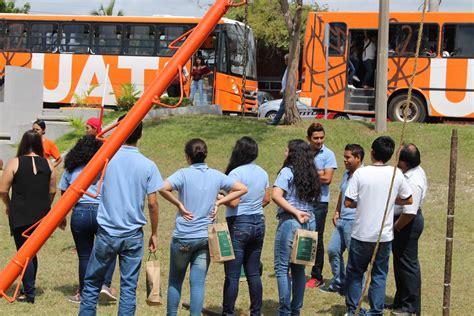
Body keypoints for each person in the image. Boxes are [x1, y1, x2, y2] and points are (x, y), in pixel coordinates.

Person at [79, 116, 163, 315]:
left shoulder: (106, 159)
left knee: (91, 283)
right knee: (128, 288)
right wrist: (154, 232)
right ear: (141, 134)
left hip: (107, 231)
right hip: (133, 234)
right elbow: (152, 204)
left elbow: (87, 181)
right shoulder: (148, 165)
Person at [159, 138, 247, 316]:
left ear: (187, 156)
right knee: (198, 283)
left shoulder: (183, 174)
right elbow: (242, 189)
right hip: (206, 237)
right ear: (205, 155)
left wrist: (179, 205)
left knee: (175, 281)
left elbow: (162, 187)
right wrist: (220, 201)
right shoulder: (215, 175)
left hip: (184, 236)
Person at [344, 136, 413, 315]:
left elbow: (348, 202)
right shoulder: (396, 173)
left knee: (355, 273)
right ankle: (376, 311)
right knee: (379, 275)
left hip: (361, 234)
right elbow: (409, 199)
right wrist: (388, 200)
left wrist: (367, 200)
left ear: (372, 152)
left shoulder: (361, 173)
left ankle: (354, 310)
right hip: (383, 236)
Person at [0, 130, 57, 304]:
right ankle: (28, 288)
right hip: (41, 216)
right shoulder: (48, 164)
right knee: (31, 253)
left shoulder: (14, 163)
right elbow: (52, 190)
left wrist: (9, 205)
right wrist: (46, 205)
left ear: (23, 143)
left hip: (20, 213)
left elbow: (3, 190)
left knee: (25, 253)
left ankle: (29, 292)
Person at [59, 135, 117, 304]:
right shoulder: (106, 166)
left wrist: (63, 215)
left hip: (80, 212)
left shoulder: (71, 168)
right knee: (107, 252)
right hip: (103, 212)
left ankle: (83, 293)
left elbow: (65, 193)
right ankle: (104, 285)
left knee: (85, 255)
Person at [221, 137, 271, 316]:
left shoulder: (236, 173)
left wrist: (221, 197)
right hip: (258, 222)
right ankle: (255, 312)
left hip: (239, 224)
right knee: (253, 273)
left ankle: (228, 312)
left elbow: (233, 202)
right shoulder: (263, 172)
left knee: (232, 275)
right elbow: (266, 199)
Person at [273, 139, 321, 315]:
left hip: (291, 222)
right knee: (299, 268)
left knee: (281, 268)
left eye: (287, 150)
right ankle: (296, 310)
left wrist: (294, 212)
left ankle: (284, 311)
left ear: (293, 154)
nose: (285, 153)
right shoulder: (311, 174)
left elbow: (276, 195)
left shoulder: (287, 171)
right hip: (310, 221)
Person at [319, 144, 364, 295]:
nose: (344, 160)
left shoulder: (363, 176)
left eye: (348, 157)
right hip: (342, 219)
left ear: (358, 158)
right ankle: (339, 282)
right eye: (344, 157)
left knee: (355, 256)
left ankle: (356, 289)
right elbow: (342, 193)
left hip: (355, 221)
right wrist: (337, 210)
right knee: (333, 250)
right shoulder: (346, 174)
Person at [389, 143, 427, 315]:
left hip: (406, 224)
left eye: (398, 156)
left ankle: (411, 307)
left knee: (408, 264)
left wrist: (396, 227)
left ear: (404, 162)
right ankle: (401, 301)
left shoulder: (414, 181)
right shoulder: (410, 172)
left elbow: (410, 213)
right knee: (400, 263)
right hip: (403, 222)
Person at [305, 123, 337, 289]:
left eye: (321, 138)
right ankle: (297, 268)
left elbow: (327, 179)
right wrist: (319, 172)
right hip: (302, 200)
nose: (319, 141)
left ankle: (317, 276)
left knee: (316, 237)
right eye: (315, 138)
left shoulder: (329, 154)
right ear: (309, 138)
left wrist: (307, 172)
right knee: (301, 234)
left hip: (320, 202)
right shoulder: (304, 152)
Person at [267, 54, 290, 125]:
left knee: (282, 107)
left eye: (285, 60)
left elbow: (288, 82)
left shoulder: (290, 68)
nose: (284, 61)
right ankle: (278, 120)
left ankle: (275, 121)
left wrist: (284, 90)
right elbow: (285, 81)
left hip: (287, 91)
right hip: (285, 90)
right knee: (283, 106)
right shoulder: (287, 68)